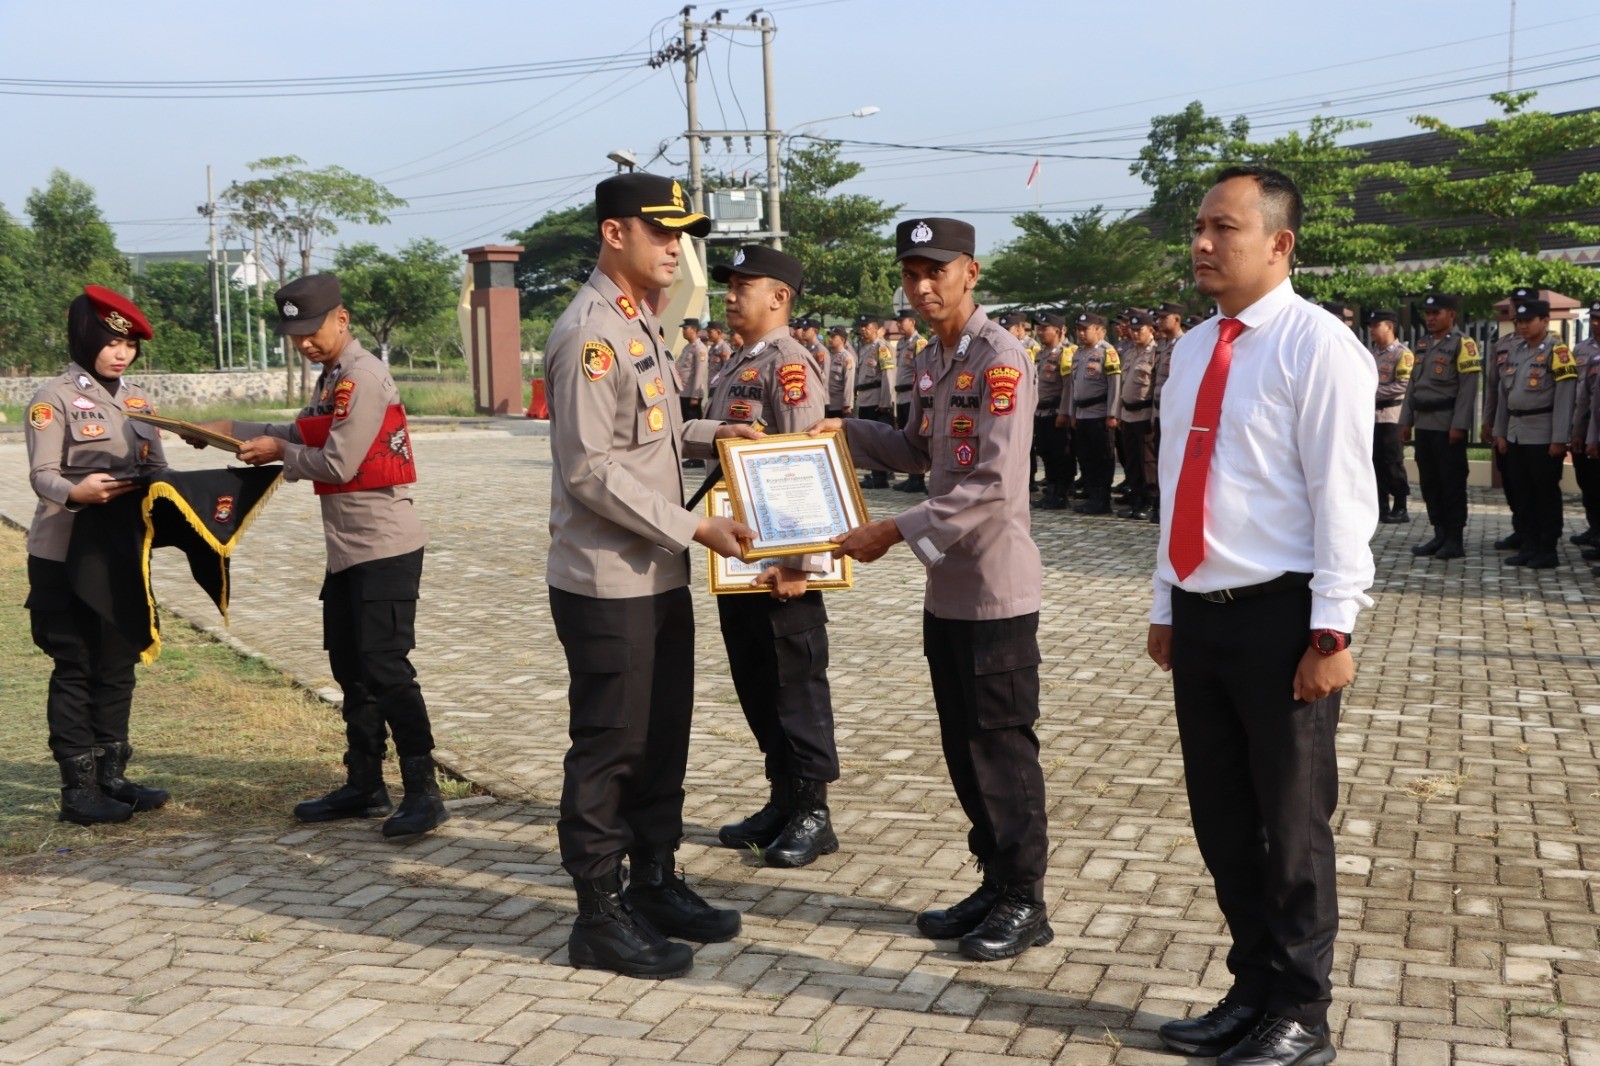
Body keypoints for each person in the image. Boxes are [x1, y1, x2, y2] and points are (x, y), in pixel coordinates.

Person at [1148, 166, 1375, 1066]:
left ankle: (1302, 1013)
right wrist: (1166, 600)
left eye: (1224, 229)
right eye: (1198, 227)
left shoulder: (1319, 347)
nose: (1203, 244)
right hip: (1203, 613)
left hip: (1283, 618)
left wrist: (1332, 632)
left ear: (1280, 244)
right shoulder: (1194, 348)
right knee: (1223, 819)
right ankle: (1251, 989)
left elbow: (1343, 500)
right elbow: (1176, 488)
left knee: (1291, 828)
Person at [817, 217, 1053, 964]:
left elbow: (989, 483)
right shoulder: (934, 356)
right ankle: (993, 879)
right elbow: (922, 451)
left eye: (936, 272)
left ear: (970, 273)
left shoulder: (1000, 358)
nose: (921, 286)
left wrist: (890, 532)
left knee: (1001, 749)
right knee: (963, 746)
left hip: (994, 592)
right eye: (911, 272)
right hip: (947, 588)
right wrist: (843, 429)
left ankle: (1025, 899)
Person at [541, 172, 758, 980]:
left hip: (656, 573)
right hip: (608, 580)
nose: (677, 246)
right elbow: (589, 470)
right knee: (611, 745)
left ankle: (656, 881)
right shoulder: (589, 334)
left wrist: (721, 435)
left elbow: (651, 440)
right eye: (661, 231)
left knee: (662, 735)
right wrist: (698, 525)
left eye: (683, 233)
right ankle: (598, 913)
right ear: (613, 235)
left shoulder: (640, 323)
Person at [193, 275, 448, 840]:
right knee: (352, 669)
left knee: (386, 668)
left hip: (385, 547)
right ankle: (364, 783)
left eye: (311, 330)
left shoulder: (363, 376)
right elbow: (301, 430)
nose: (303, 342)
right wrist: (229, 430)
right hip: (348, 551)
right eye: (294, 335)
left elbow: (338, 462)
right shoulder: (333, 376)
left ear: (341, 318)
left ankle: (424, 791)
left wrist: (280, 453)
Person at [701, 245, 839, 868]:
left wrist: (800, 563)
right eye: (728, 285)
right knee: (756, 679)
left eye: (744, 286)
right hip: (741, 557)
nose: (730, 295)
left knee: (794, 682)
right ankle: (782, 798)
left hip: (782, 565)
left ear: (779, 297)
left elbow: (806, 463)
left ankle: (814, 811)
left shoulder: (789, 366)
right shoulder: (738, 362)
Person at [25, 286, 169, 826]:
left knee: (117, 662)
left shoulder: (138, 401)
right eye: (111, 340)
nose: (121, 352)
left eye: (128, 343)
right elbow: (41, 475)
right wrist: (75, 492)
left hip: (121, 549)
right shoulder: (53, 398)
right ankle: (78, 789)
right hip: (65, 551)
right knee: (75, 665)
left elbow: (158, 465)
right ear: (87, 338)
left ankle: (113, 776)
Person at [1493, 298, 1576, 569]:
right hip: (1516, 432)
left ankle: (1547, 548)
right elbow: (1505, 396)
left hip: (1543, 434)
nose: (1523, 325)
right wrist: (1501, 432)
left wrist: (1559, 438)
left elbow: (1565, 399)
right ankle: (1528, 545)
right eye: (1519, 321)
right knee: (1522, 492)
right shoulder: (1515, 351)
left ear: (1544, 320)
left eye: (1528, 320)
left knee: (1545, 494)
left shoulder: (1558, 351)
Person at [1400, 293, 1479, 560]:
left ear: (1451, 315)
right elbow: (1412, 387)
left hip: (1447, 425)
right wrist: (1405, 421)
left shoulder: (1462, 345)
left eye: (1437, 313)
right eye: (1428, 313)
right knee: (1430, 482)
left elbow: (1468, 390)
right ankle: (1439, 534)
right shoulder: (1422, 345)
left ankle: (1454, 539)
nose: (1431, 318)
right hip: (1423, 424)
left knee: (1451, 482)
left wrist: (1460, 425)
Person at [1484, 288, 1535, 552]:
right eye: (1515, 304)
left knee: (1534, 485)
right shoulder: (1503, 343)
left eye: (1524, 304)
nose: (1518, 309)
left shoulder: (1551, 342)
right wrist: (1488, 421)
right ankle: (1520, 528)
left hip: (1535, 428)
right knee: (1511, 480)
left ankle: (1536, 535)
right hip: (1506, 423)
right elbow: (1494, 388)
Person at [1056, 312, 1120, 515]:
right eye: (1079, 329)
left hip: (1100, 414)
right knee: (1086, 457)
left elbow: (1115, 385)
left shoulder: (1107, 352)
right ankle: (1092, 496)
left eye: (1086, 329)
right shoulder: (1078, 352)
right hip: (1082, 414)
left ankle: (1103, 499)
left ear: (1100, 330)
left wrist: (1112, 414)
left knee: (1103, 458)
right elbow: (1074, 386)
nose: (1081, 333)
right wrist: (1073, 413)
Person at [1365, 310, 1413, 524]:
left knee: (1392, 462)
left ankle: (1401, 506)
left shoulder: (1403, 354)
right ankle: (1381, 506)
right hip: (1371, 417)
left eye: (1377, 325)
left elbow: (1403, 384)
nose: (1372, 330)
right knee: (1374, 462)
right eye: (1371, 326)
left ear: (1390, 327)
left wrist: (1369, 392)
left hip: (1392, 416)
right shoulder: (1372, 354)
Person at [1112, 309, 1160, 520]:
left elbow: (1157, 386)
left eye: (1138, 329)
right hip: (1128, 414)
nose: (1134, 334)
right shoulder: (1129, 352)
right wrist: (1119, 413)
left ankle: (1150, 501)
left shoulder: (1156, 354)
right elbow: (1122, 385)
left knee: (1147, 461)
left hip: (1145, 414)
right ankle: (1137, 498)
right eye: (1131, 330)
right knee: (1132, 460)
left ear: (1150, 329)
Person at [1030, 312, 1073, 510]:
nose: (1040, 332)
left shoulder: (1065, 353)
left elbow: (1067, 386)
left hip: (1056, 412)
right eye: (1038, 328)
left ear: (1057, 330)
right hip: (1041, 412)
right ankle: (1051, 489)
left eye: (1044, 328)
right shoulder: (1041, 354)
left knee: (1060, 454)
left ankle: (1061, 494)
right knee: (1045, 452)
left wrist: (1064, 412)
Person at [1149, 302, 1187, 525]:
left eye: (1165, 317)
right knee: (1159, 459)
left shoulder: (1186, 343)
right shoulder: (1162, 346)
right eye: (1159, 317)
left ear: (1177, 320)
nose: (1160, 321)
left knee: (1175, 461)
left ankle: (1172, 506)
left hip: (1175, 413)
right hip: (1159, 410)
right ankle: (1161, 504)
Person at [1568, 300, 1600, 554]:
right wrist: (1576, 431)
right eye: (1594, 319)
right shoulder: (1580, 350)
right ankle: (1594, 528)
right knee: (1586, 482)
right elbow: (1578, 395)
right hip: (1585, 424)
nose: (1596, 324)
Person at [853, 316, 895, 487]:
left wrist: (886, 401)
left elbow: (888, 375)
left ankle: (880, 478)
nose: (863, 329)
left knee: (876, 440)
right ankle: (875, 474)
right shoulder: (865, 348)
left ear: (875, 328)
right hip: (864, 399)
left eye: (867, 326)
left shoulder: (882, 348)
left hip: (876, 400)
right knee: (866, 439)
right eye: (861, 326)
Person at [893, 308, 929, 492]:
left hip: (912, 395)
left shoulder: (919, 342)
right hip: (901, 396)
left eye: (902, 320)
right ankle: (910, 476)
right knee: (906, 437)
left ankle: (918, 479)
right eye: (898, 321)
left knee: (914, 436)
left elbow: (922, 372)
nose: (899, 324)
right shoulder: (901, 343)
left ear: (912, 322)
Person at [676, 318, 709, 421]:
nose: (683, 331)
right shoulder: (687, 347)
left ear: (694, 329)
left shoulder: (700, 349)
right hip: (683, 392)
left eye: (685, 328)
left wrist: (695, 396)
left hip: (690, 394)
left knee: (692, 423)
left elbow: (700, 373)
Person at [824, 325, 856, 419]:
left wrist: (847, 404)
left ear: (842, 340)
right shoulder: (829, 356)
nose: (830, 339)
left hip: (840, 406)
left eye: (833, 337)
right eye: (830, 336)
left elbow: (849, 381)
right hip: (829, 404)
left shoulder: (847, 357)